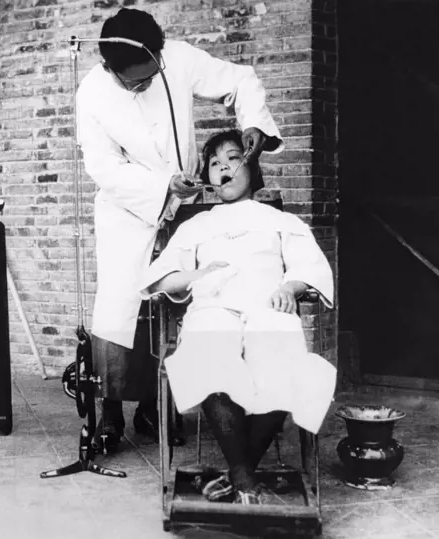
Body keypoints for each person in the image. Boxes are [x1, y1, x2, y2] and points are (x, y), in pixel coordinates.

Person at [76, 7, 284, 453]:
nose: (144, 85)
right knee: (119, 308)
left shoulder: (180, 58)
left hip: (181, 208)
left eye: (151, 76)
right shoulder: (92, 93)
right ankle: (111, 414)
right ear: (111, 68)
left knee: (173, 304)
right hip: (128, 207)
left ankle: (156, 408)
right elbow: (103, 167)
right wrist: (160, 184)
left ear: (160, 54)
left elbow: (241, 79)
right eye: (134, 81)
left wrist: (251, 122)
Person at [138, 129, 337, 504]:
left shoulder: (282, 221)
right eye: (214, 163)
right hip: (213, 305)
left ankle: (238, 472)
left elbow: (306, 266)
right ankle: (245, 476)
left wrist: (289, 288)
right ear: (209, 180)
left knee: (285, 358)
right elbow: (164, 274)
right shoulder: (196, 225)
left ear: (251, 166)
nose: (223, 167)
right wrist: (196, 276)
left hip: (267, 304)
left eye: (232, 158)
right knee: (208, 348)